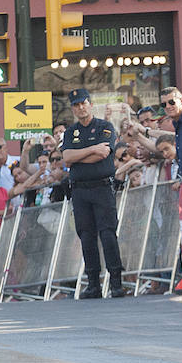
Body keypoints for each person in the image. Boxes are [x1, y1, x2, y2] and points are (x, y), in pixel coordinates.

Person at [61, 88, 126, 299]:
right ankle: (93, 284)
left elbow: (104, 153)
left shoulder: (104, 127)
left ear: (90, 104)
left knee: (107, 233)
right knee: (86, 236)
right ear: (73, 109)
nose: (80, 108)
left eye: (83, 103)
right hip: (80, 189)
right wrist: (90, 150)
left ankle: (116, 281)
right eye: (76, 105)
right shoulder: (71, 132)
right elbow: (67, 158)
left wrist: (79, 156)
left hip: (101, 187)